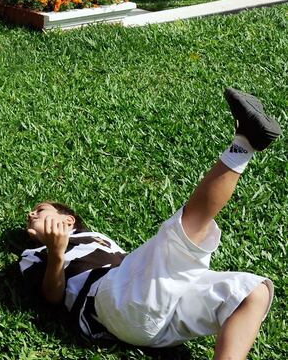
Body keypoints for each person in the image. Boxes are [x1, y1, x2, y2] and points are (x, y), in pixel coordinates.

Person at [20, 87, 281, 359]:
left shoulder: (98, 238)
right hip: (112, 304)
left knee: (253, 292)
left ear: (69, 219)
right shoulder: (32, 255)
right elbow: (51, 297)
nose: (31, 214)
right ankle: (245, 143)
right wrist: (56, 253)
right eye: (31, 214)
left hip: (154, 310)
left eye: (40, 209)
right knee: (183, 233)